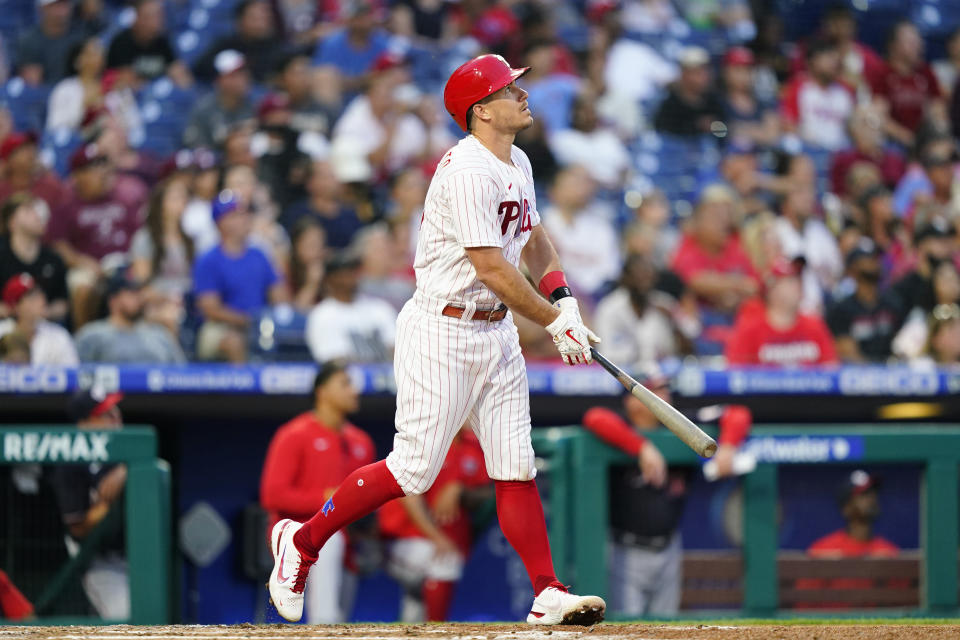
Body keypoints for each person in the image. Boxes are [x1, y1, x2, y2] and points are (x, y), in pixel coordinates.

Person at [267, 54, 606, 626]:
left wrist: (564, 298)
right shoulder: (468, 170)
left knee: (515, 464)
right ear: (480, 112)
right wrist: (552, 321)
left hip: (494, 329)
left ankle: (547, 589)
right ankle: (301, 543)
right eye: (508, 89)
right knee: (415, 469)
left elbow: (535, 238)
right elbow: (493, 268)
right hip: (442, 328)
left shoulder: (515, 159)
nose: (522, 94)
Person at [260, 360, 375, 623]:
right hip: (298, 534)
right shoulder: (294, 434)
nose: (353, 391)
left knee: (341, 615)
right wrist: (326, 499)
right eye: (344, 384)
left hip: (347, 537)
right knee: (327, 611)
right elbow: (273, 495)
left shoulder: (361, 441)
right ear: (322, 392)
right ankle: (323, 626)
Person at [581, 369, 682, 617]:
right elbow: (594, 417)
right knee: (627, 624)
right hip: (626, 552)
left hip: (669, 549)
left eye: (664, 390)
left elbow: (735, 414)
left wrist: (729, 447)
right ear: (631, 400)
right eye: (654, 391)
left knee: (668, 629)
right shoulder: (621, 427)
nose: (664, 396)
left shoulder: (682, 427)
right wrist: (642, 447)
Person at [379, 428, 492, 622]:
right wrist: (437, 537)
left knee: (416, 609)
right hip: (403, 537)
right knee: (444, 561)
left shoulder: (474, 444)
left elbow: (489, 492)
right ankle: (436, 629)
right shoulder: (423, 441)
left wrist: (460, 490)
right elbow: (409, 498)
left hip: (447, 540)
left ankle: (418, 620)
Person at [47, 388, 129, 619]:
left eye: (115, 410)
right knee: (125, 618)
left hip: (137, 559)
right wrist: (105, 505)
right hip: (99, 561)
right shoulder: (71, 464)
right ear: (84, 424)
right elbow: (78, 527)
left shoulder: (126, 453)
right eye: (105, 414)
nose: (116, 417)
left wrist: (127, 470)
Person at [192, 190, 288, 363]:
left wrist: (274, 319)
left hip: (261, 324)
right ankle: (244, 388)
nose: (245, 220)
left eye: (245, 214)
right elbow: (210, 309)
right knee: (234, 342)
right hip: (221, 326)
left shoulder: (259, 254)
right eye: (236, 215)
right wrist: (248, 321)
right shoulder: (209, 259)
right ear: (221, 222)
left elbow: (279, 295)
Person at [540, 166, 621, 301]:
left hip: (597, 297)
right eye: (572, 184)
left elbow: (611, 272)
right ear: (554, 190)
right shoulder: (541, 222)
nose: (579, 189)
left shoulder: (602, 227)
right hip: (553, 295)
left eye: (582, 184)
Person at [593, 253, 681, 371]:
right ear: (626, 278)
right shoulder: (609, 308)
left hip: (659, 377)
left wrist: (673, 321)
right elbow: (605, 354)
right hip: (621, 377)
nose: (644, 283)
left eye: (648, 276)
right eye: (639, 276)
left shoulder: (664, 305)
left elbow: (678, 352)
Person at [305, 251, 397, 362]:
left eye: (354, 270)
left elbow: (398, 350)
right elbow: (333, 362)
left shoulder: (380, 308)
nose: (352, 276)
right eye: (345, 272)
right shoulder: (322, 315)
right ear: (330, 279)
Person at [74, 271, 185, 364]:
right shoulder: (92, 335)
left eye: (139, 293)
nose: (139, 298)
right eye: (131, 293)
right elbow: (77, 377)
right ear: (113, 301)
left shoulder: (160, 335)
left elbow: (181, 376)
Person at [867, 20, 945, 148]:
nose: (918, 46)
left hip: (925, 140)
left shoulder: (926, 72)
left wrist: (934, 136)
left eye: (918, 41)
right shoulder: (882, 73)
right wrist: (909, 138)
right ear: (893, 45)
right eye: (911, 42)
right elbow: (879, 116)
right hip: (893, 141)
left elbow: (938, 109)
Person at [827, 239, 905, 362]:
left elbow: (902, 344)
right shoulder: (841, 309)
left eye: (875, 258)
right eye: (866, 259)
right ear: (852, 269)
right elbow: (847, 352)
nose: (873, 263)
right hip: (857, 375)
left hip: (890, 371)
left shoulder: (893, 303)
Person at [0, 194, 69, 324]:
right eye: (28, 210)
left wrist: (43, 311)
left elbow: (62, 303)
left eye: (37, 211)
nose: (38, 216)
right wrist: (14, 311)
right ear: (12, 222)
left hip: (45, 325)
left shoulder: (53, 259)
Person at [781, 37, 855, 151]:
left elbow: (853, 127)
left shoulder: (845, 91)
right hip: (808, 149)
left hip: (840, 151)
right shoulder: (798, 87)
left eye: (835, 59)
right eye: (828, 58)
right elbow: (789, 124)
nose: (834, 63)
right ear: (812, 61)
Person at [192, 0, 281, 84]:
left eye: (265, 19)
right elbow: (200, 69)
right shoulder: (226, 44)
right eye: (255, 19)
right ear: (239, 21)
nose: (262, 24)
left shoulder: (276, 47)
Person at [183, 50, 255, 150]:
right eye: (234, 75)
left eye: (244, 73)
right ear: (218, 80)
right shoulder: (204, 110)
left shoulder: (257, 103)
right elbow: (196, 147)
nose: (243, 79)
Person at [105, 0, 188, 86]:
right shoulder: (121, 42)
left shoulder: (163, 41)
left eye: (158, 15)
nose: (156, 21)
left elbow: (180, 76)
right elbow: (124, 81)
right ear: (138, 18)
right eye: (150, 17)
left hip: (159, 94)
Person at [0, 273, 77, 365]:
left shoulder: (59, 336)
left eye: (40, 293)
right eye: (32, 297)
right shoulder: (2, 332)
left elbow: (73, 374)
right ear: (15, 306)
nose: (41, 299)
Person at [653, 46, 724, 138]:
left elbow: (725, 130)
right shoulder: (670, 105)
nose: (703, 77)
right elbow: (664, 133)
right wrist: (698, 126)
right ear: (683, 74)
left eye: (705, 71)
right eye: (697, 72)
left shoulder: (714, 101)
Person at [45, 36, 106, 133]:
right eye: (91, 54)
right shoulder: (65, 89)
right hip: (74, 142)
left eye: (99, 53)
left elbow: (131, 125)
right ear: (77, 61)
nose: (97, 57)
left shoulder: (111, 85)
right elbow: (55, 126)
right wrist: (83, 107)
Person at [15, 0, 82, 85]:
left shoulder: (81, 37)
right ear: (42, 8)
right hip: (45, 95)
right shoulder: (30, 41)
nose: (61, 11)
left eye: (64, 4)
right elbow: (33, 84)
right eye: (55, 6)